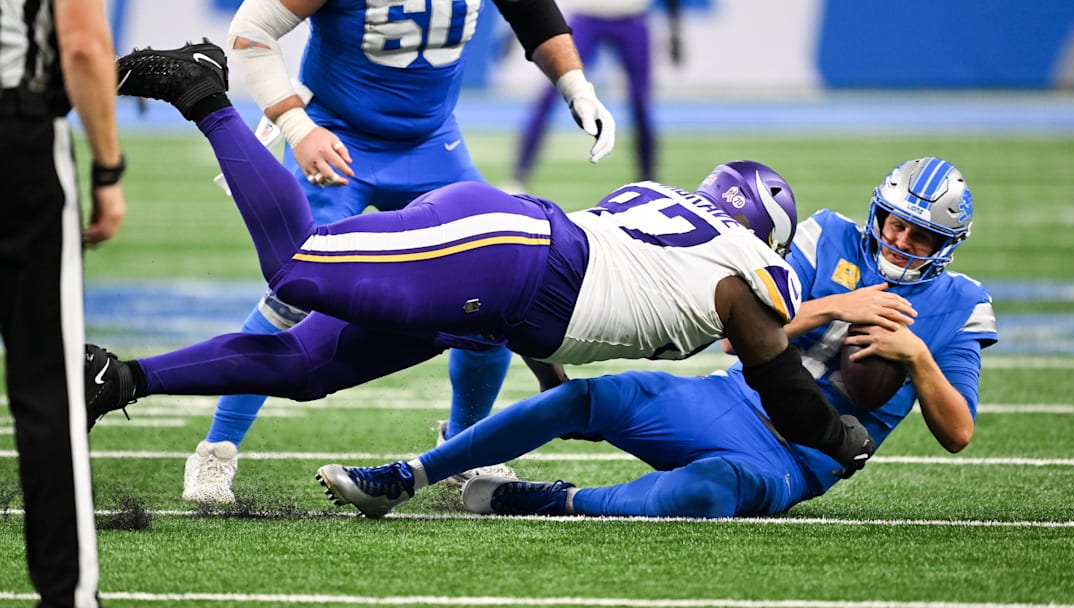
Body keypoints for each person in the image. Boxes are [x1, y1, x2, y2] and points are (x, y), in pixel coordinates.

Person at [85, 43, 874, 491]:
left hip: (507, 275)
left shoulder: (668, 212)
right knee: (297, 270)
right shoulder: (746, 267)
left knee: (303, 368)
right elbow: (783, 386)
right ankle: (202, 89)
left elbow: (600, 284)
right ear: (764, 234)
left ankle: (117, 380)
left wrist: (550, 374)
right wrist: (840, 436)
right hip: (507, 260)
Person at [316, 157, 997, 519]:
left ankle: (553, 500)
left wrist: (918, 361)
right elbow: (742, 340)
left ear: (948, 245)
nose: (902, 241)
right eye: (896, 224)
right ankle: (407, 476)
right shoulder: (828, 235)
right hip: (733, 398)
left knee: (708, 492)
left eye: (922, 235)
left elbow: (958, 432)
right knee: (592, 400)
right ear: (879, 213)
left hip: (801, 460)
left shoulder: (960, 305)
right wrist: (831, 306)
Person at [180, 0, 619, 505]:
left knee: (493, 282)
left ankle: (463, 444)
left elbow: (534, 15)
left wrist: (577, 87)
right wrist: (298, 128)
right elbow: (252, 29)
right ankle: (217, 450)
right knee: (296, 295)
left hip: (432, 142)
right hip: (336, 136)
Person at [1, 0, 127, 604]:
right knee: (47, 386)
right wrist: (107, 168)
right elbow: (81, 44)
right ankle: (67, 594)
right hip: (15, 137)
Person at [509, 0, 680, 191]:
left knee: (640, 102)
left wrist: (675, 28)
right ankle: (519, 176)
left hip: (632, 16)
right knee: (551, 93)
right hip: (587, 15)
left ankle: (649, 181)